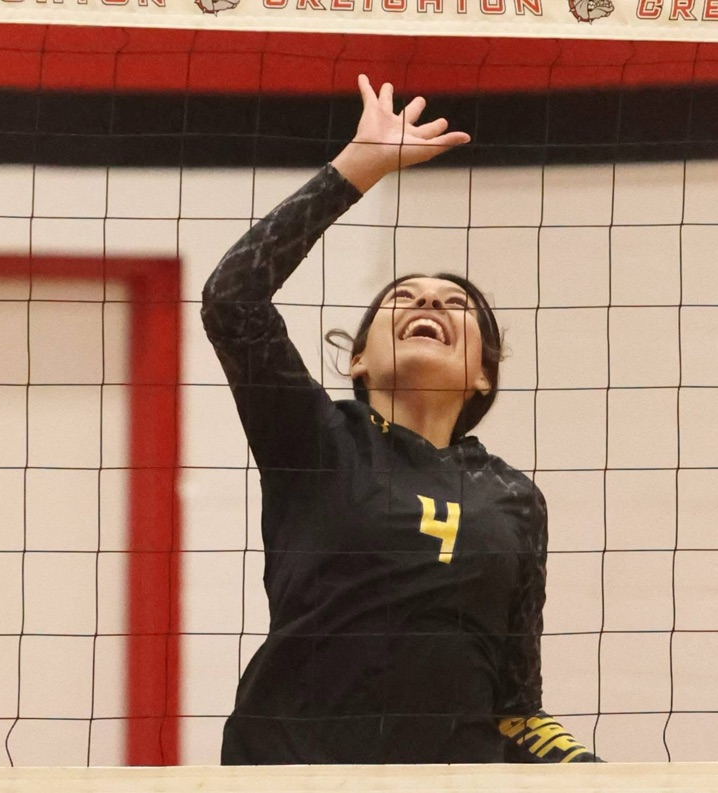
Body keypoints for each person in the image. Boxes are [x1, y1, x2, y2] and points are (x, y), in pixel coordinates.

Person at [202, 75, 599, 765]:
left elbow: (515, 707)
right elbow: (232, 301)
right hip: (292, 774)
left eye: (455, 303)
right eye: (404, 296)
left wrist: (593, 772)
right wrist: (357, 169)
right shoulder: (318, 440)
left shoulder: (513, 498)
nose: (430, 302)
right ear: (358, 359)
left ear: (482, 372)